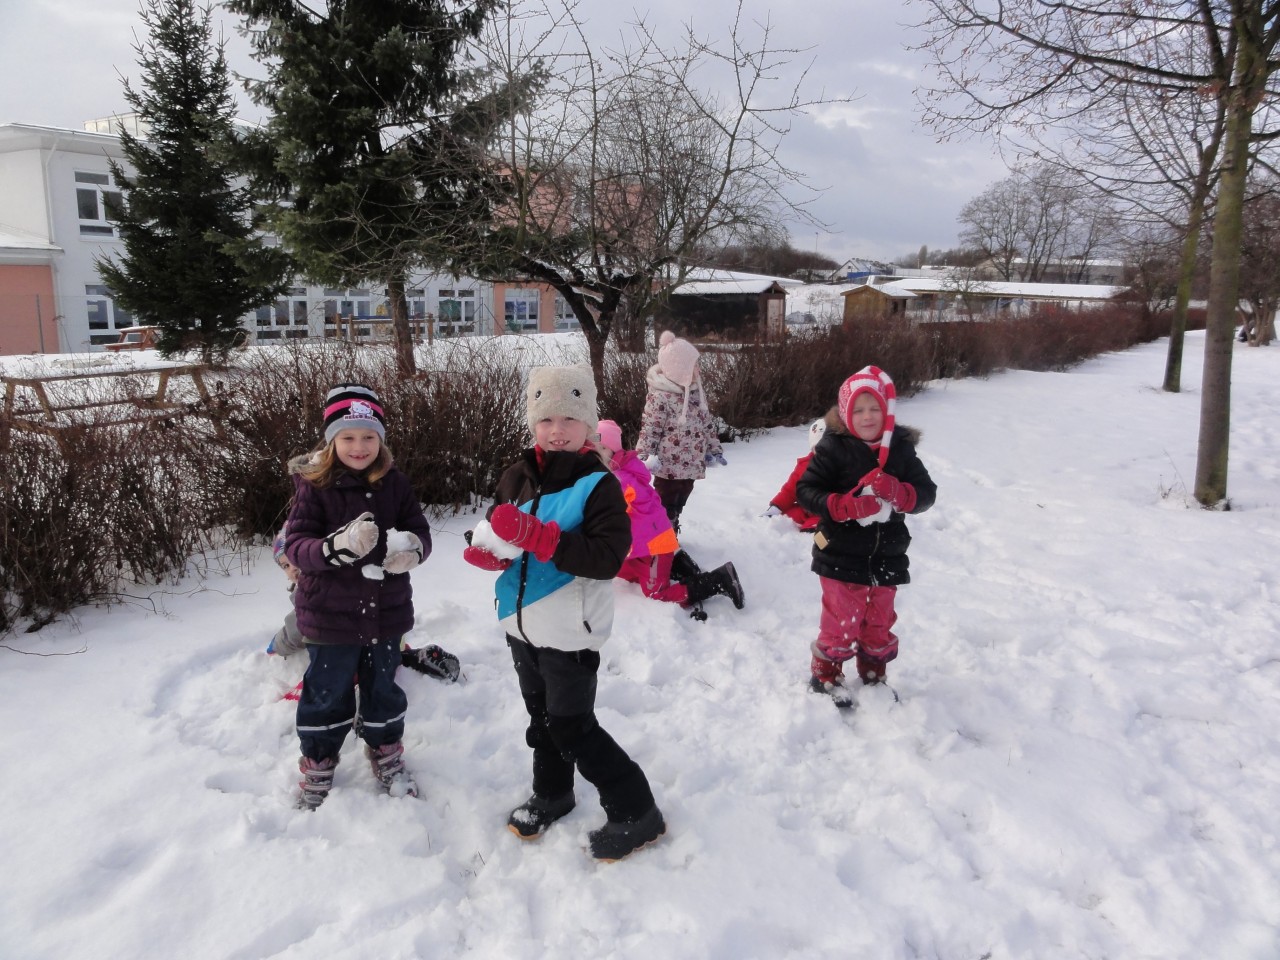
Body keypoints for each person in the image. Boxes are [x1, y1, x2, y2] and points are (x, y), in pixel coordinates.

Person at [463, 365, 665, 862]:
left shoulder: (598, 484)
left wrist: (541, 538)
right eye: (546, 418)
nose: (557, 430)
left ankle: (637, 810)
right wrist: (489, 551)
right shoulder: (516, 476)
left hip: (571, 629)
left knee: (573, 727)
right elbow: (498, 531)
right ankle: (552, 793)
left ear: (588, 424)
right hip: (521, 624)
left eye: (570, 418)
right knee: (542, 719)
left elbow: (607, 558)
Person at [281, 383, 434, 809]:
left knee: (383, 688)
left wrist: (412, 550)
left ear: (380, 439)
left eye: (368, 436)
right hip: (329, 617)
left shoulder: (395, 484)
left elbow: (419, 529)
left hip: (386, 613)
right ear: (331, 441)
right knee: (326, 693)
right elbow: (296, 547)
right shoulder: (315, 486)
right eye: (347, 437)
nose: (359, 446)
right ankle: (319, 759)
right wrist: (333, 549)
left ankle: (385, 749)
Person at [795, 366, 937, 708]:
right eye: (858, 410)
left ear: (887, 411)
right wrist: (842, 506)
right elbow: (806, 490)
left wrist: (901, 493)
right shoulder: (834, 448)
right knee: (841, 620)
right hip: (840, 554)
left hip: (887, 555)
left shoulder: (900, 449)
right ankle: (826, 676)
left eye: (875, 408)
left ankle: (874, 675)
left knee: (879, 622)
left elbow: (926, 493)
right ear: (845, 413)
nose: (867, 416)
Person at [269, 527, 460, 683]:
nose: (293, 569)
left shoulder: (315, 593)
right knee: (384, 656)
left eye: (294, 559)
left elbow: (297, 630)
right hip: (386, 642)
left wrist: (277, 645)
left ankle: (359, 692)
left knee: (320, 680)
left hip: (351, 656)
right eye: (285, 566)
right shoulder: (346, 573)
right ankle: (408, 658)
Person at [596, 418, 744, 612]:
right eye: (592, 450)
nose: (596, 456)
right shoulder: (615, 473)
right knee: (617, 569)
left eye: (602, 450)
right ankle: (677, 563)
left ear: (615, 452)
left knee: (656, 594)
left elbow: (610, 510)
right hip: (639, 545)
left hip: (654, 547)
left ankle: (719, 580)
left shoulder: (619, 481)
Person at [635, 331, 725, 535]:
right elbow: (650, 429)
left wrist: (715, 449)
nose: (698, 369)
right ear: (679, 369)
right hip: (667, 466)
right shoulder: (661, 398)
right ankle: (662, 535)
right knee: (665, 500)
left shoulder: (695, 393)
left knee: (682, 496)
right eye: (694, 365)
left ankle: (673, 522)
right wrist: (644, 456)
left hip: (691, 462)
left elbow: (706, 423)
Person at [764, 418, 826, 531]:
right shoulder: (804, 466)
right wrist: (776, 506)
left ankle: (814, 529)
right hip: (804, 508)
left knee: (823, 521)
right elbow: (790, 490)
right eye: (818, 448)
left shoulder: (840, 466)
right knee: (783, 516)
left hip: (824, 511)